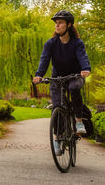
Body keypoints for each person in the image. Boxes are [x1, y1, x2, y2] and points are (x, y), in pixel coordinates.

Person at [33, 10, 91, 140]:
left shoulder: (77, 43)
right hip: (57, 78)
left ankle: (79, 121)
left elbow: (82, 57)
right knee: (57, 106)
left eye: (60, 23)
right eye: (56, 23)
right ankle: (58, 137)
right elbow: (44, 60)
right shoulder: (51, 44)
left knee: (74, 88)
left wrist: (85, 69)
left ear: (69, 25)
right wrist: (39, 75)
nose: (56, 25)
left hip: (75, 76)